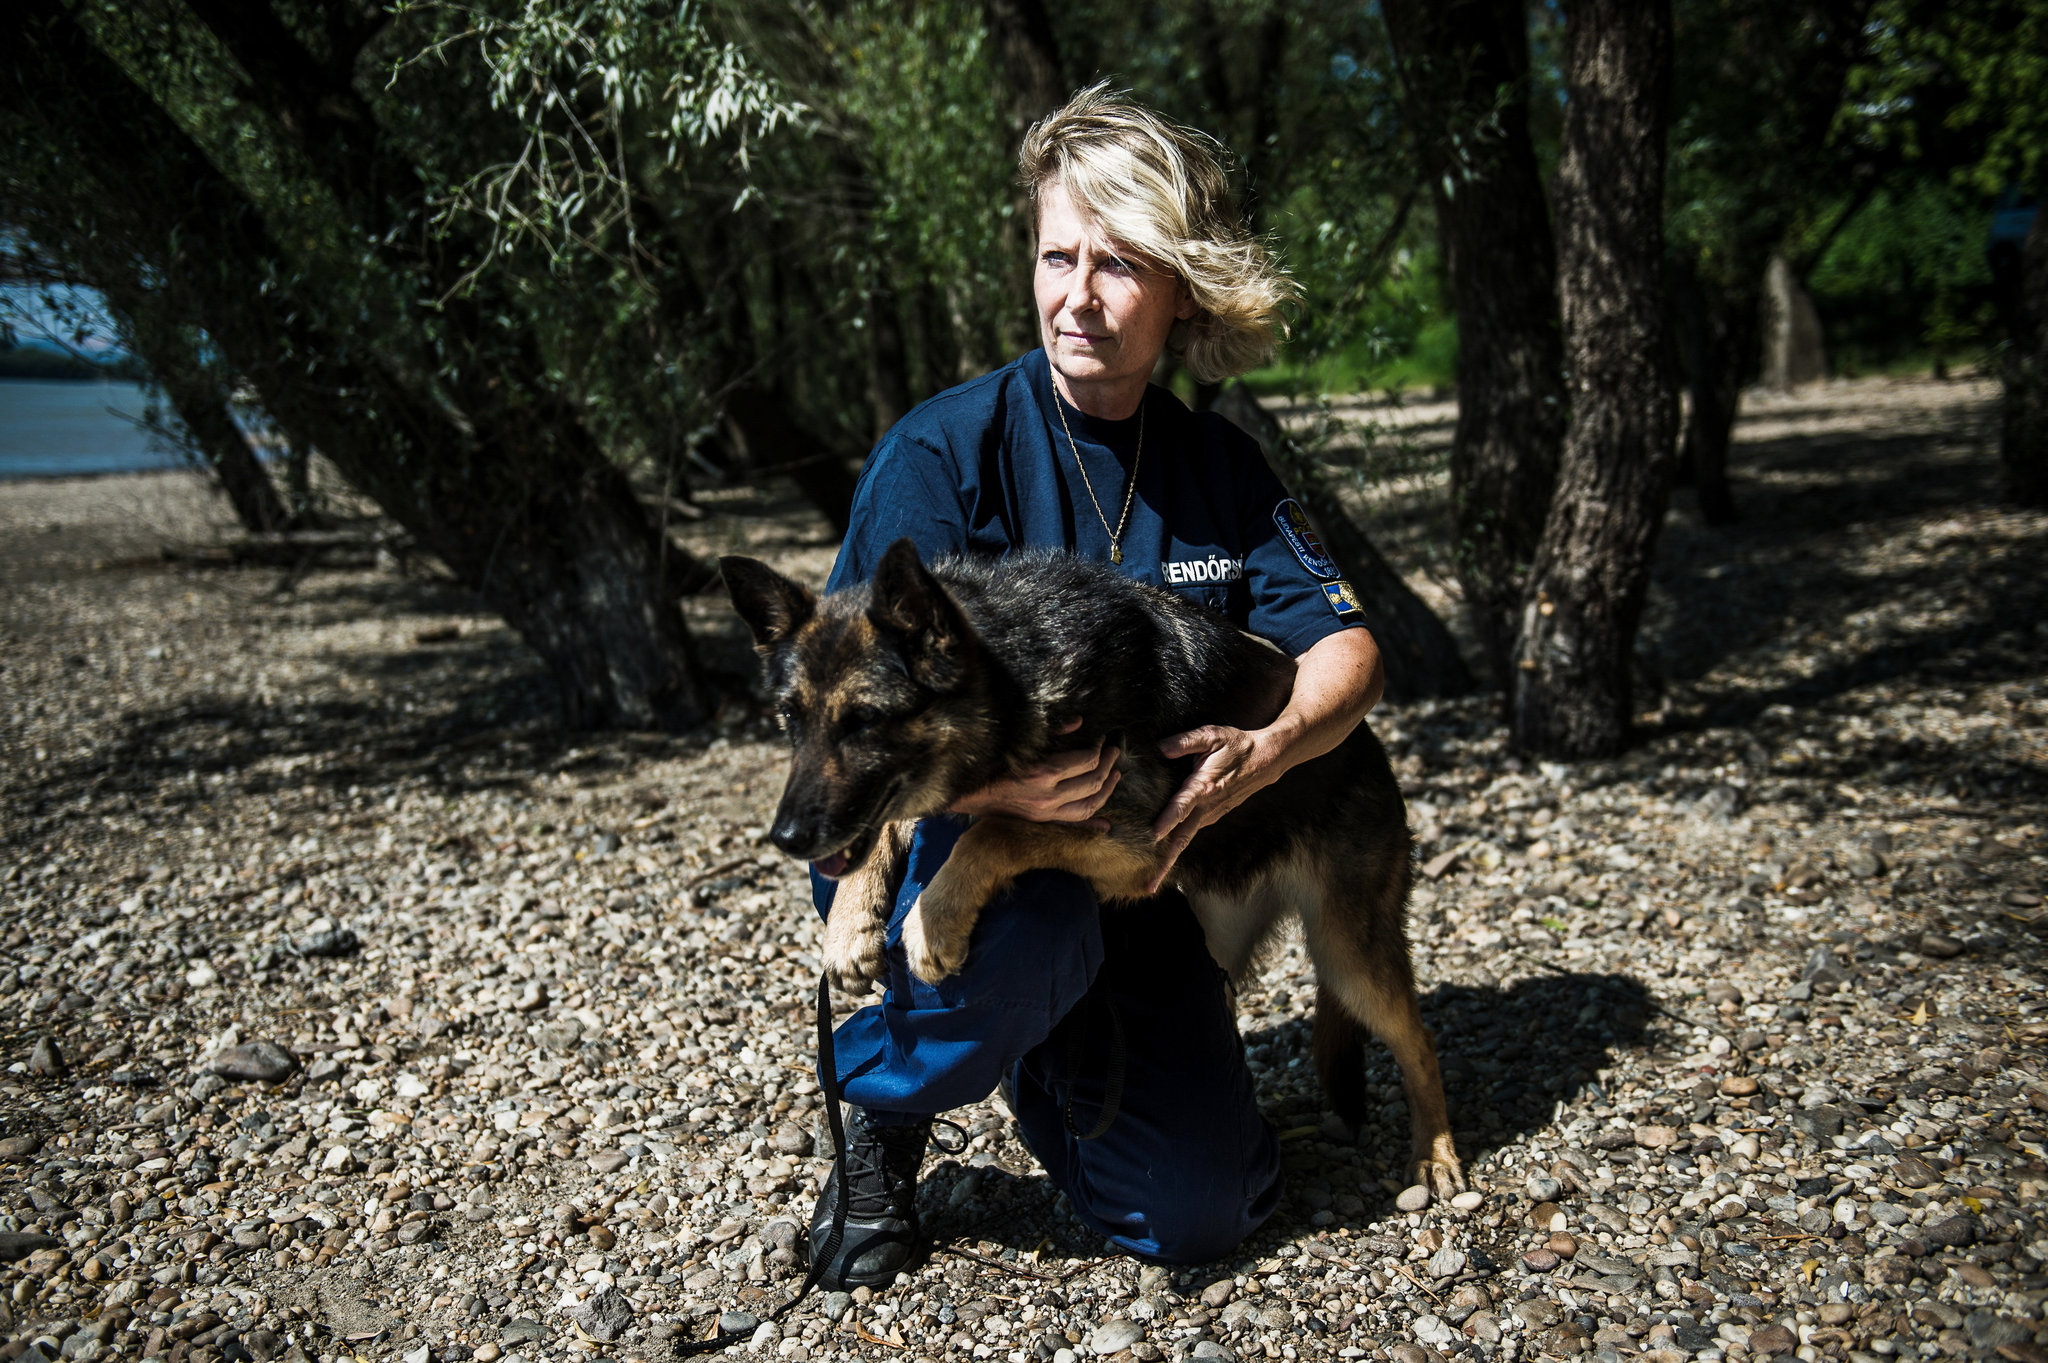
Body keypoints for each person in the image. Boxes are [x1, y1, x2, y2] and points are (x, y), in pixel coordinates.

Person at [807, 84, 1387, 1288]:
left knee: (1204, 1218)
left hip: (1138, 871)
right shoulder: (940, 454)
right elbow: (854, 731)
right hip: (949, 858)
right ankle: (884, 1106)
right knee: (1024, 925)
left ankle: (1054, 1062)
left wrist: (1268, 749)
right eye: (1055, 256)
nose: (1077, 297)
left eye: (1118, 265)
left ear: (1182, 290)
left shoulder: (1215, 464)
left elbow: (1345, 652)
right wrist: (982, 813)